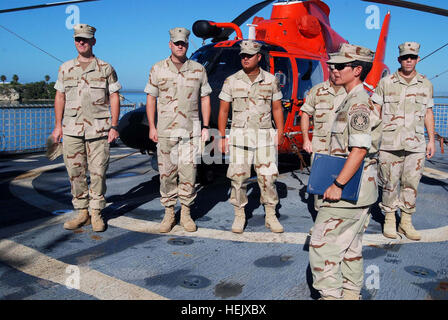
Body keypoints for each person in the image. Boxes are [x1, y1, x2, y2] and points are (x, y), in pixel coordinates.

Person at [308, 43, 381, 300]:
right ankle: (351, 294)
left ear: (357, 70)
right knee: (350, 248)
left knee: (321, 246)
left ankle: (331, 296)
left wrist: (337, 184)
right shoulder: (351, 99)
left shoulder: (358, 104)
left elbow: (359, 150)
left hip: (349, 190)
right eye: (332, 65)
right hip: (360, 190)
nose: (333, 70)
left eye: (340, 66)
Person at [52, 24, 121, 232]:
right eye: (77, 39)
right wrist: (57, 126)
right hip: (71, 128)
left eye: (85, 39)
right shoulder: (65, 68)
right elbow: (60, 96)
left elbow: (114, 96)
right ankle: (82, 212)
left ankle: (97, 212)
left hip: (99, 129)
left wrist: (114, 126)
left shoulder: (106, 68)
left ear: (93, 41)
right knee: (75, 172)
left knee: (98, 172)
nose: (81, 42)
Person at [145, 27, 212, 233]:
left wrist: (206, 127)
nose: (180, 46)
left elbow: (205, 98)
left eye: (183, 43)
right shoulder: (157, 69)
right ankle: (168, 213)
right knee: (166, 175)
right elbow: (151, 98)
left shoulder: (198, 69)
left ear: (187, 44)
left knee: (189, 173)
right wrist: (152, 126)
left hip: (190, 131)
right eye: (176, 43)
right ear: (170, 44)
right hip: (165, 131)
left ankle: (185, 213)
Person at [218, 40, 284, 234]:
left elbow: (277, 108)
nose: (245, 58)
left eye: (249, 55)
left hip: (264, 138)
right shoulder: (231, 81)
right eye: (242, 56)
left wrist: (280, 132)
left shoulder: (271, 80)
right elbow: (223, 112)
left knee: (268, 178)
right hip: (240, 139)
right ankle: (239, 214)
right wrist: (222, 137)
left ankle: (270, 215)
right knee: (238, 179)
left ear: (258, 57)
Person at [371, 42, 436, 241]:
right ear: (399, 59)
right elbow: (376, 109)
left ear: (418, 59)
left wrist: (431, 139)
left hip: (416, 143)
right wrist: (372, 138)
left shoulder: (425, 84)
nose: (409, 60)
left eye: (413, 57)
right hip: (390, 143)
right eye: (405, 57)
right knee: (389, 183)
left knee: (411, 183)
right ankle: (390, 219)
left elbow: (428, 112)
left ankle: (406, 221)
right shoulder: (386, 82)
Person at [301, 68, 347, 213]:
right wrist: (305, 140)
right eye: (333, 69)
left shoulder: (351, 92)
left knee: (342, 184)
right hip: (320, 147)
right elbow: (305, 114)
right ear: (328, 70)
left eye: (340, 68)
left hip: (343, 147)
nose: (337, 72)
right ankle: (321, 221)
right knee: (320, 185)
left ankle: (336, 220)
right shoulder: (317, 91)